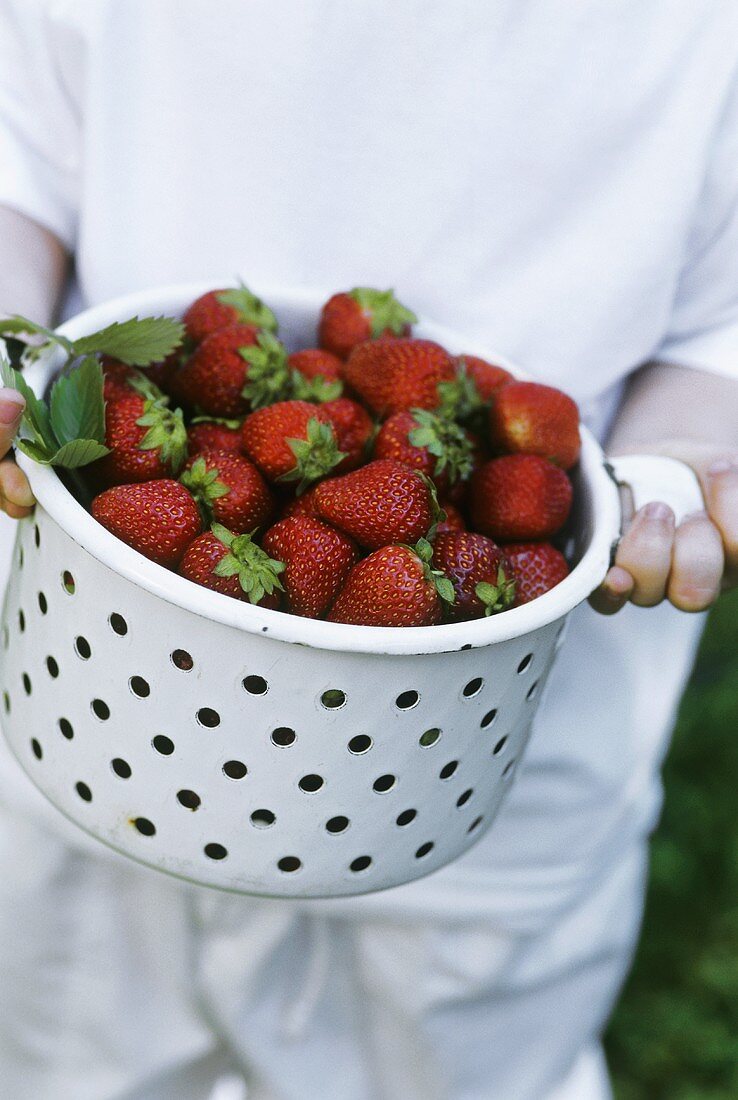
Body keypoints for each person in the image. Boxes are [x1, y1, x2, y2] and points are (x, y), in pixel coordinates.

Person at [0, 3, 737, 1098]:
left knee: (452, 1056)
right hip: (100, 700)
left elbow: (718, 327)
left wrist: (684, 449)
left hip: (490, 761)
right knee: (76, 1039)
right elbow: (21, 164)